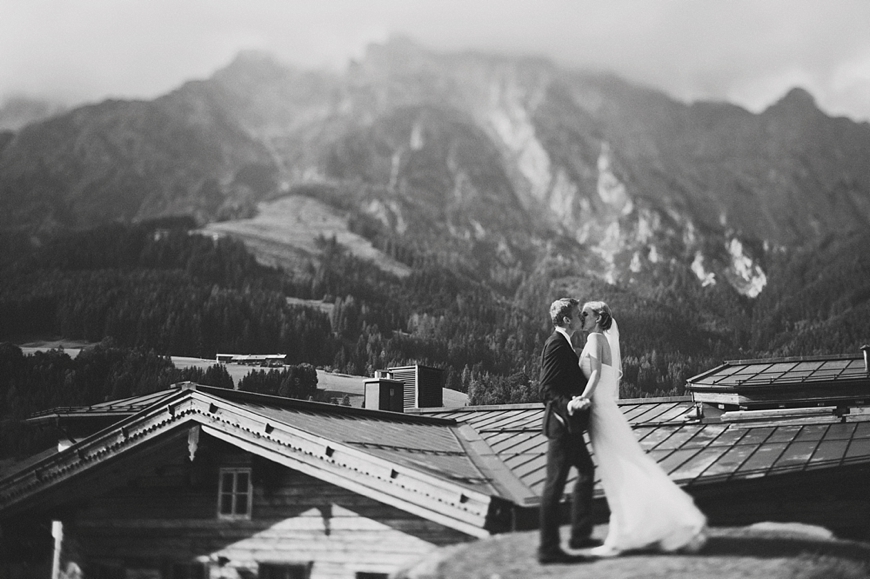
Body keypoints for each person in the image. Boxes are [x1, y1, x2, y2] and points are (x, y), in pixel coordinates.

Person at [575, 300, 708, 558]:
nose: (582, 317)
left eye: (585, 314)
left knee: (615, 472)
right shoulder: (604, 340)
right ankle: (635, 530)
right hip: (605, 410)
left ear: (598, 318)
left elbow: (596, 376)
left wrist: (582, 398)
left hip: (600, 412)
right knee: (624, 469)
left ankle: (621, 538)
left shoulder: (594, 338)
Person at [537, 298, 600, 564]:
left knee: (586, 471)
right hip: (561, 426)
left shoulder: (564, 344)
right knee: (554, 486)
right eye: (577, 314)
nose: (581, 318)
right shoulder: (556, 344)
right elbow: (545, 389)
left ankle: (579, 536)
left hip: (570, 427)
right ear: (566, 320)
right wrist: (570, 404)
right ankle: (548, 549)